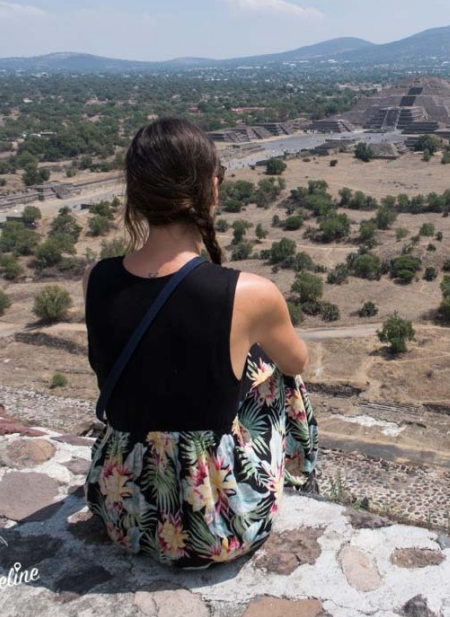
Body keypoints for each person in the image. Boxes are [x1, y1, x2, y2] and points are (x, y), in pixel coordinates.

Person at [83, 118, 318, 568]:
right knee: (275, 368)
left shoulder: (99, 279)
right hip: (217, 524)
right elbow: (298, 360)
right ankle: (298, 477)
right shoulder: (249, 294)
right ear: (210, 188)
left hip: (122, 509)